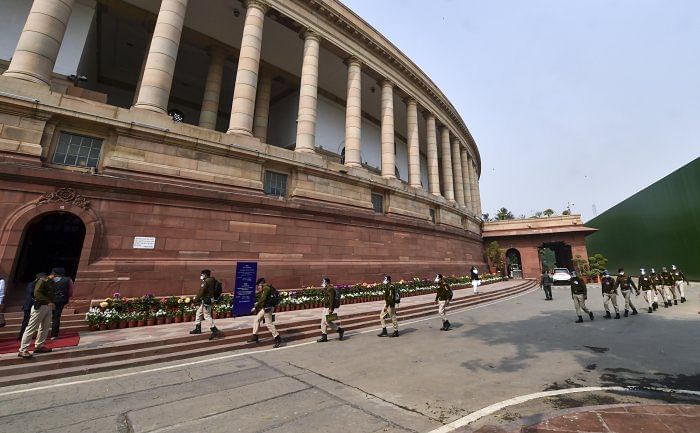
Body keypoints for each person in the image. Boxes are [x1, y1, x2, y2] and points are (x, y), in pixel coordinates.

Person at [18, 272, 56, 358]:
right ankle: (23, 349)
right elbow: (37, 293)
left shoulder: (49, 283)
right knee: (31, 327)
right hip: (39, 306)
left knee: (44, 327)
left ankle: (39, 346)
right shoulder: (41, 281)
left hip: (47, 306)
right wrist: (48, 301)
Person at [246, 278, 282, 348]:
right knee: (257, 319)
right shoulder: (265, 288)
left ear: (261, 283)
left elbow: (263, 299)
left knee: (269, 324)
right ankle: (255, 336)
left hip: (268, 308)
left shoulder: (266, 289)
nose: (258, 287)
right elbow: (261, 295)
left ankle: (277, 338)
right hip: (265, 308)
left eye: (258, 285)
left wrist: (255, 307)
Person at [189, 269, 222, 340]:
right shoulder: (213, 280)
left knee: (207, 316)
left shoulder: (205, 282)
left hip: (206, 301)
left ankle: (215, 330)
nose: (201, 276)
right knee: (198, 313)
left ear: (205, 275)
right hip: (209, 300)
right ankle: (198, 328)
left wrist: (194, 301)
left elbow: (201, 292)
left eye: (202, 275)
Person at [317, 277, 344, 342]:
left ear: (326, 282)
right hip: (325, 307)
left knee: (327, 321)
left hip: (329, 307)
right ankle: (324, 337)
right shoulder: (326, 288)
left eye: (323, 281)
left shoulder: (330, 289)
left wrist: (331, 308)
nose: (322, 283)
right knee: (323, 322)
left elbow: (331, 299)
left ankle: (340, 330)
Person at [50, 267, 74, 340]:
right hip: (61, 299)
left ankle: (40, 334)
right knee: (56, 317)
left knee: (45, 316)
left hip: (50, 300)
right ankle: (54, 334)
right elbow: (70, 291)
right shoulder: (68, 280)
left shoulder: (50, 280)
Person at [18, 273, 43, 340]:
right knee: (26, 321)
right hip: (29, 305)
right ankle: (21, 335)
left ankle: (28, 335)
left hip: (35, 306)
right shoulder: (31, 284)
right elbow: (31, 292)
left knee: (32, 322)